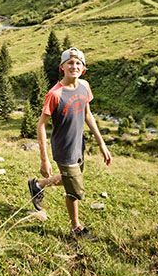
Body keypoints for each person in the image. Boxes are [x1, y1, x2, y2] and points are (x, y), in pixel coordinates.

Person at [26, 47, 112, 237]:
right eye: (70, 62)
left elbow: (88, 114)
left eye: (78, 63)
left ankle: (38, 185)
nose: (74, 66)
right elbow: (41, 125)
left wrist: (102, 144)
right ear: (62, 67)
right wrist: (44, 159)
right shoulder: (55, 94)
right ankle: (76, 227)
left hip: (78, 145)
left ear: (83, 69)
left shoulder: (84, 86)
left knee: (70, 180)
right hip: (63, 148)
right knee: (75, 191)